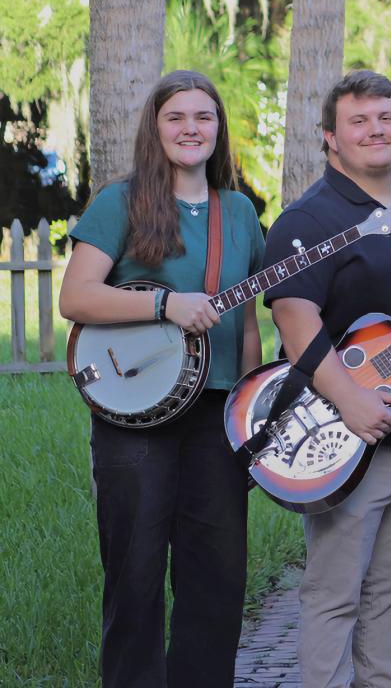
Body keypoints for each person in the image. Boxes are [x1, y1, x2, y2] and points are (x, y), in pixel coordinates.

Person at [261, 70, 391, 688]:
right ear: (330, 137)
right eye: (358, 121)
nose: (374, 130)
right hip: (356, 447)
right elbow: (297, 323)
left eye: (385, 117)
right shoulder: (308, 220)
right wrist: (351, 402)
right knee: (335, 596)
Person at [60, 70, 264, 687]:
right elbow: (76, 296)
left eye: (204, 117)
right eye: (176, 117)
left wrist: (253, 409)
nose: (191, 128)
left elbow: (248, 324)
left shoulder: (240, 212)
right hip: (136, 419)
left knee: (217, 577)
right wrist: (163, 305)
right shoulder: (119, 202)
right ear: (156, 128)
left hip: (219, 413)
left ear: (218, 128)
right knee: (136, 575)